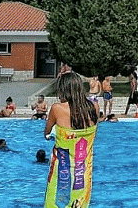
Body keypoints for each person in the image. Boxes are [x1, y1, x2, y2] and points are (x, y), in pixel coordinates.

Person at [44, 72, 99, 208]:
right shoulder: (94, 107)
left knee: (56, 203)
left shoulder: (57, 108)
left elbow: (46, 132)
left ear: (62, 89)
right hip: (83, 173)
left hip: (61, 172)